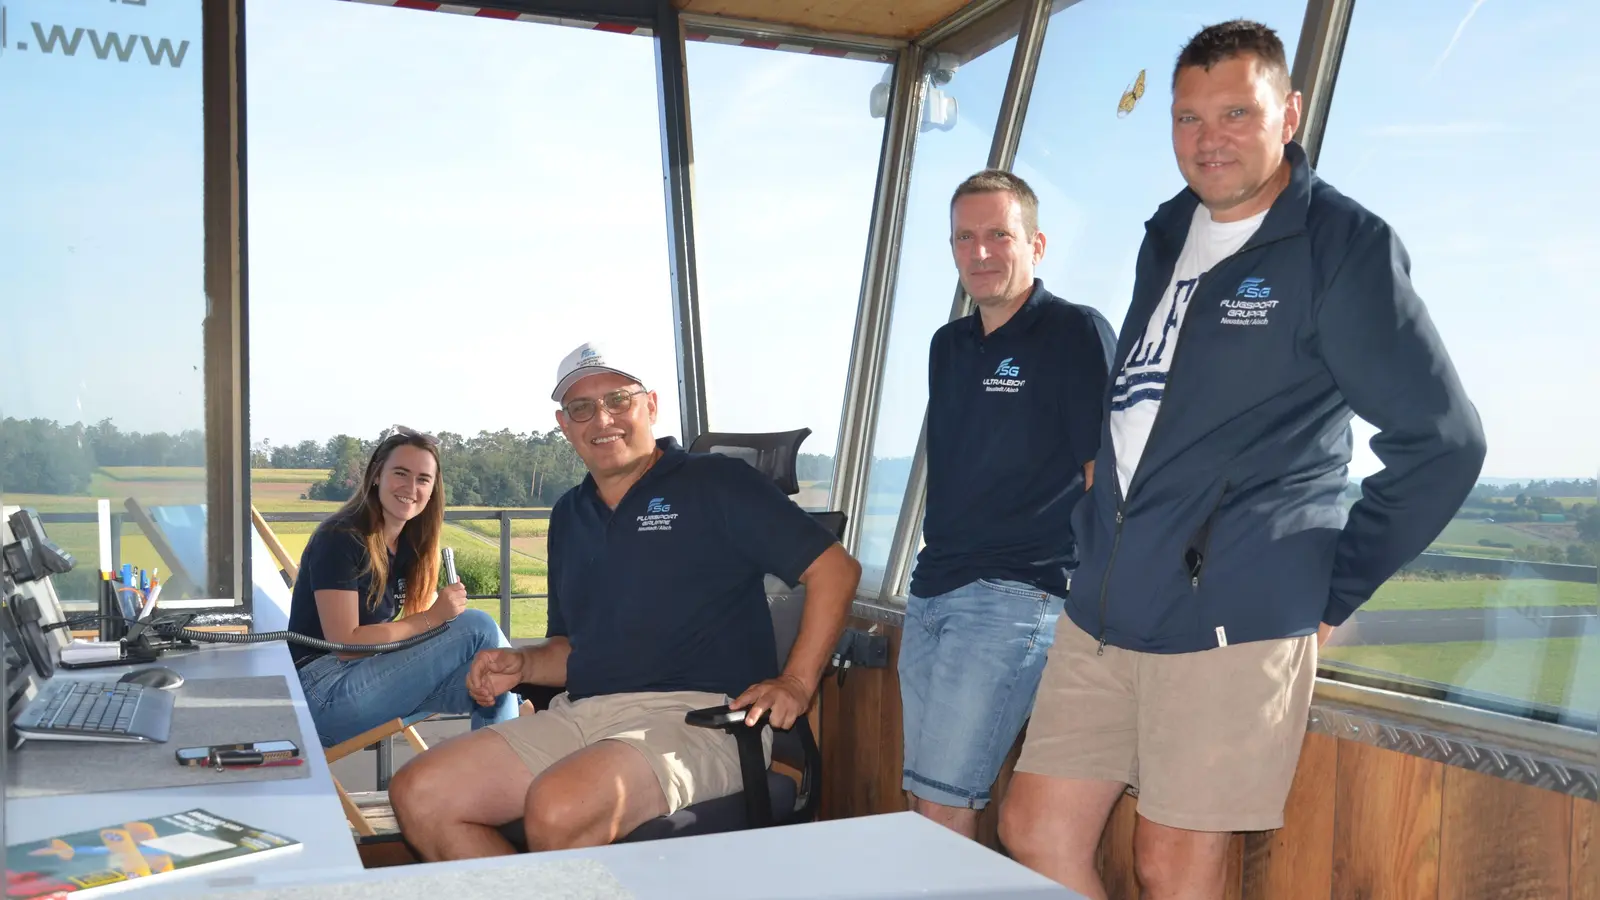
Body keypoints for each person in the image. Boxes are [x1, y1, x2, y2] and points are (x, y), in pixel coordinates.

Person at [998, 20, 1485, 900]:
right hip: (1104, 603)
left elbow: (1444, 444)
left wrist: (1332, 589)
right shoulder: (1167, 235)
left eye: (1235, 112)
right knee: (1034, 830)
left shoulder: (1341, 247)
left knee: (1172, 871)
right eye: (1187, 118)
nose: (1208, 138)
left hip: (1230, 618)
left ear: (1288, 114)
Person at [389, 342, 861, 859]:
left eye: (618, 399)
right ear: (565, 425)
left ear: (651, 406)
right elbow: (572, 650)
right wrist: (522, 662)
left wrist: (795, 681)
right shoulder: (570, 515)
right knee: (420, 794)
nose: (603, 418)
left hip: (703, 719)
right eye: (582, 408)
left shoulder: (715, 483)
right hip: (584, 716)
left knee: (560, 806)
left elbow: (835, 570)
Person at [898, 169, 1115, 839]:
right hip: (932, 592)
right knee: (929, 806)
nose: (981, 252)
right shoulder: (948, 344)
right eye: (965, 237)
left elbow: (1103, 477)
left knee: (942, 810)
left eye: (999, 234)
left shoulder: (1074, 332)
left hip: (1016, 596)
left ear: (1037, 244)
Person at [288, 426, 520, 747]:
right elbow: (344, 643)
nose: (411, 487)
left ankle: (495, 790)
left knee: (494, 686)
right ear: (376, 476)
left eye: (423, 479)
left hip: (366, 679)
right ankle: (528, 702)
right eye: (401, 473)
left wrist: (433, 618)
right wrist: (434, 617)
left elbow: (409, 638)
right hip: (323, 695)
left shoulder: (408, 547)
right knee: (476, 626)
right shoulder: (340, 538)